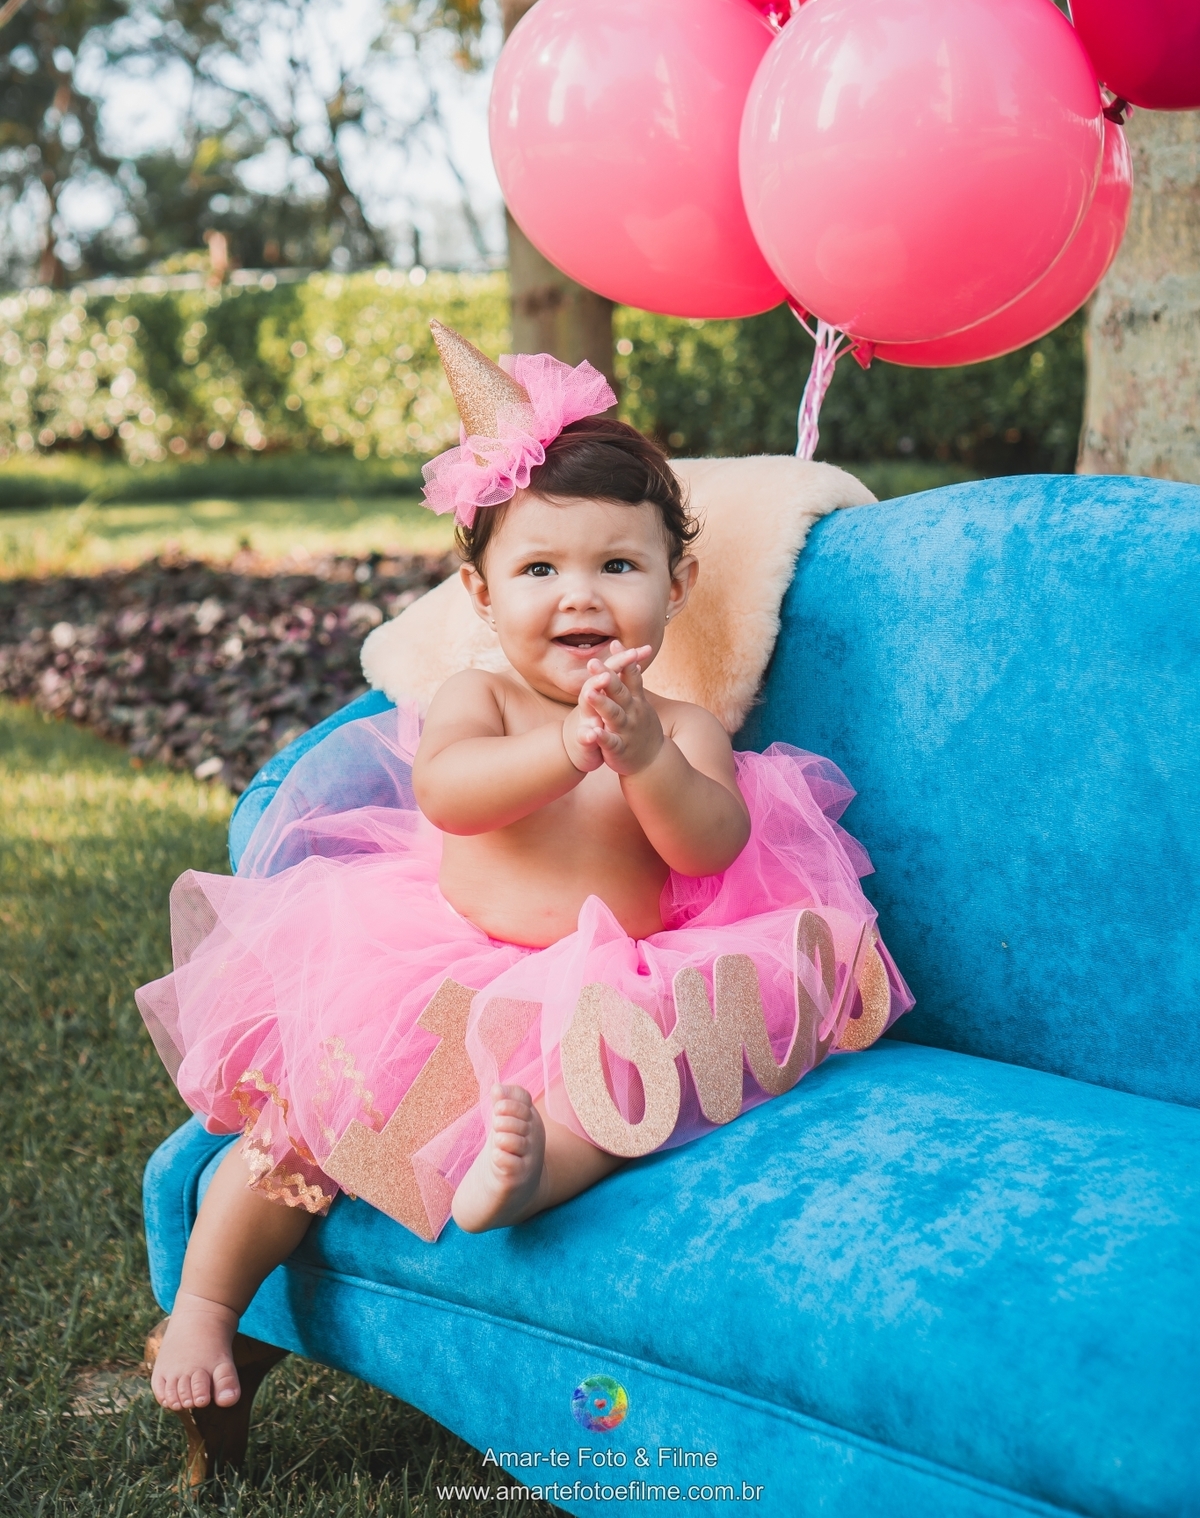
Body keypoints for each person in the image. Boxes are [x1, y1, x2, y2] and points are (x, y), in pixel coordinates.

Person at [137, 323, 912, 1418]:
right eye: (540, 568)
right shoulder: (485, 701)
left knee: (625, 1087)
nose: (579, 596)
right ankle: (209, 1305)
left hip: (608, 979)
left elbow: (709, 845)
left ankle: (528, 1169)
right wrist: (565, 750)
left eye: (617, 566)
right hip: (437, 970)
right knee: (300, 1136)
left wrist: (642, 753)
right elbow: (450, 793)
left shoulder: (682, 723)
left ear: (677, 583)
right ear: (481, 591)